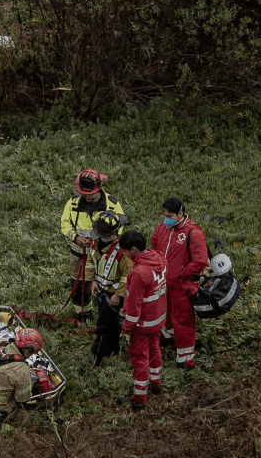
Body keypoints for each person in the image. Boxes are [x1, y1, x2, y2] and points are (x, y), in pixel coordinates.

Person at [149, 197, 208, 370]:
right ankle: (169, 337)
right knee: (165, 313)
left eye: (170, 215)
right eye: (164, 215)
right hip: (163, 283)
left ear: (181, 214)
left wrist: (181, 275)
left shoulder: (193, 233)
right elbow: (155, 245)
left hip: (182, 286)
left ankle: (186, 358)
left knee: (183, 321)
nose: (166, 218)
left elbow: (200, 261)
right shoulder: (162, 227)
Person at [59, 169, 124, 317]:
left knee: (108, 283)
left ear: (100, 189)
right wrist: (76, 238)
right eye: (85, 195)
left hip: (103, 254)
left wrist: (99, 241)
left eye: (92, 195)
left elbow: (118, 229)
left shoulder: (112, 205)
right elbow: (65, 224)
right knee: (78, 285)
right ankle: (83, 313)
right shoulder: (73, 203)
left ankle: (112, 313)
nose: (88, 198)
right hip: (79, 253)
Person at [118, 230, 168, 411]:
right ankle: (156, 383)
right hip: (158, 318)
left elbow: (133, 306)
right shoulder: (159, 258)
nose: (123, 254)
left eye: (125, 251)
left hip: (143, 324)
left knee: (140, 358)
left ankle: (139, 398)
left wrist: (127, 327)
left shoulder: (138, 273)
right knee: (155, 349)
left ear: (133, 249)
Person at [85, 212, 131, 364]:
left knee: (104, 325)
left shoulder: (123, 252)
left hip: (114, 294)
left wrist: (119, 295)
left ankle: (96, 356)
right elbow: (90, 262)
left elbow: (127, 276)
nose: (102, 239)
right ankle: (113, 349)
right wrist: (93, 282)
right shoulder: (95, 243)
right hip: (102, 291)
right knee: (111, 323)